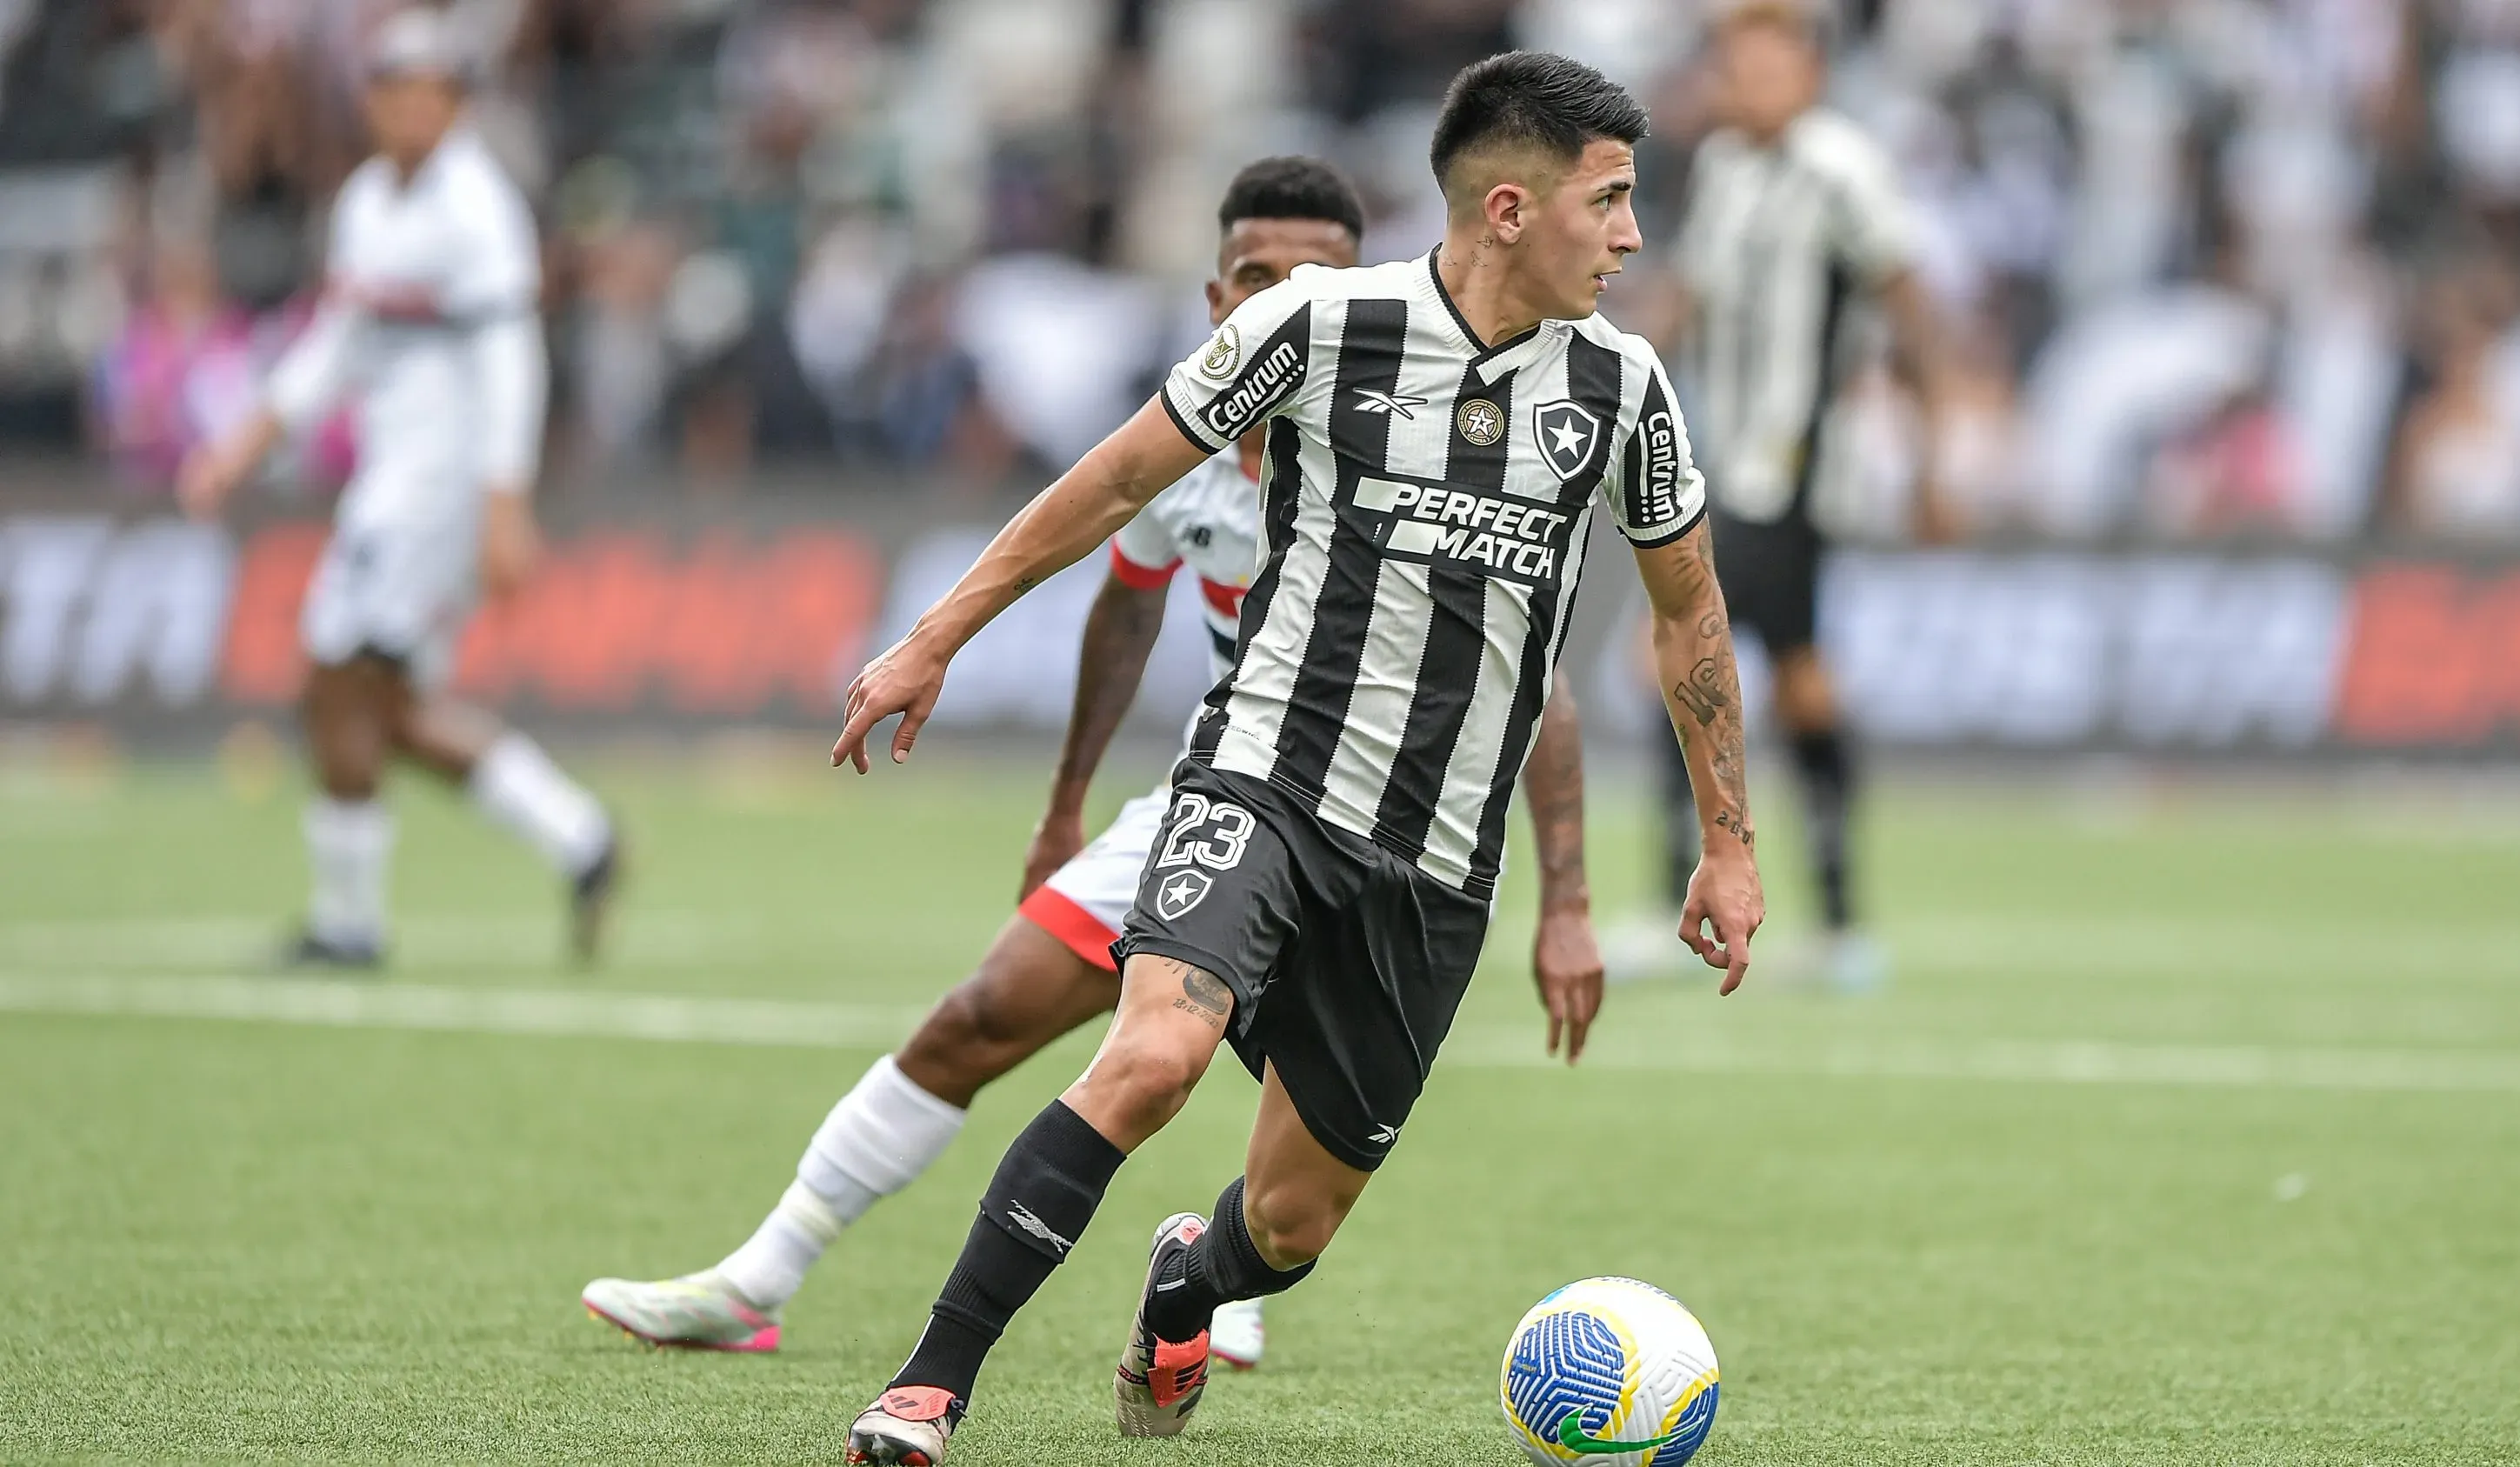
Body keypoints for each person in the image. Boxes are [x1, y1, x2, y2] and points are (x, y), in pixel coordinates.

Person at [830, 51, 1764, 1465]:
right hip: (1262, 778)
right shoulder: (1325, 327)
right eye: (1613, 200)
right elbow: (1120, 476)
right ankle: (928, 1386)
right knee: (1152, 1060)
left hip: (1436, 865)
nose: (1635, 236)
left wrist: (1729, 840)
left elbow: (1690, 614)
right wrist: (933, 636)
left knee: (1287, 1224)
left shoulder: (1623, 390)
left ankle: (1186, 1285)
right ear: (1509, 207)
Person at [574, 157, 1606, 1372]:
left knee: (1288, 1114)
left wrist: (1571, 901)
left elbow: (1534, 687)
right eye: (1260, 276)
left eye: (1316, 276)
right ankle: (759, 1275)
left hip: (1386, 829)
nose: (1286, 296)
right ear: (1221, 297)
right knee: (982, 1013)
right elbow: (1123, 606)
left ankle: (1221, 1269)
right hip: (1226, 793)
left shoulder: (1425, 448)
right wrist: (1064, 802)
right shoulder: (1191, 446)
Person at [179, 10, 619, 967]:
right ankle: (580, 836)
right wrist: (243, 442)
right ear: (371, 101)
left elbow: (512, 360)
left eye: (430, 93)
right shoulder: (370, 201)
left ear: (455, 104)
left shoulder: (476, 210)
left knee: (333, 679)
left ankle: (348, 923)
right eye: (394, 91)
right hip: (396, 476)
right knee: (387, 704)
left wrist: (506, 502)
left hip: (439, 490)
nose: (411, 110)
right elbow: (339, 342)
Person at [1620, 0, 1958, 990]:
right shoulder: (1725, 169)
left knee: (1685, 666)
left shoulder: (1842, 169)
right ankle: (1839, 922)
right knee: (1790, 675)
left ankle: (1702, 907)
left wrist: (1933, 460)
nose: (1748, 85)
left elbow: (1911, 308)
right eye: (1736, 68)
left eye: (1767, 68)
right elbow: (1689, 297)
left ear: (1808, 74)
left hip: (1797, 471)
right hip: (1718, 470)